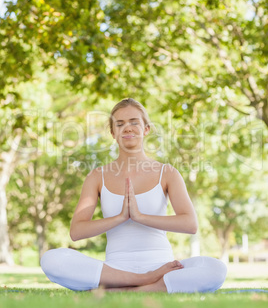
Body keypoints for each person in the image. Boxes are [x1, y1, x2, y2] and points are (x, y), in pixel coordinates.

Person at [41, 98, 227, 293]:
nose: (127, 128)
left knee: (216, 269)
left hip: (163, 267)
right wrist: (120, 218)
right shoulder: (97, 176)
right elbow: (77, 231)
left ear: (146, 129)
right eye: (119, 124)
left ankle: (126, 290)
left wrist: (140, 217)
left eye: (134, 122)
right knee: (51, 260)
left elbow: (190, 224)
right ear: (113, 133)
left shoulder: (168, 173)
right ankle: (146, 281)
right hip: (116, 269)